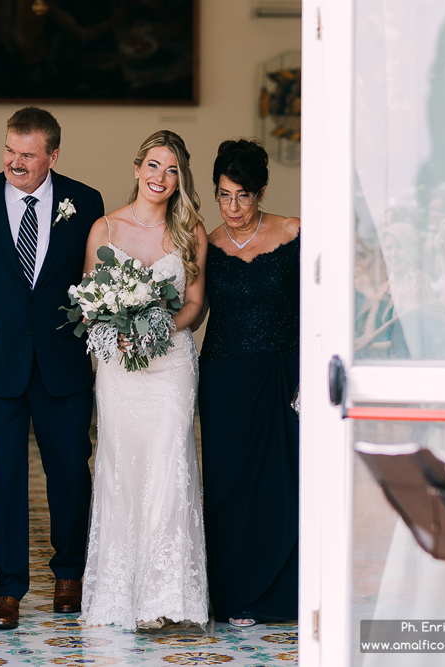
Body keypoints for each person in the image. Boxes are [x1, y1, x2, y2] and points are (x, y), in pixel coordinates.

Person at [0, 107, 105, 630]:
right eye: (9, 151)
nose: (15, 162)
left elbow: (97, 281)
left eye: (28, 155)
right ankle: (7, 590)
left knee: (70, 474)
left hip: (63, 361)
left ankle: (70, 575)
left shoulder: (87, 202)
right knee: (4, 477)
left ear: (52, 156)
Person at [78, 130, 209, 629]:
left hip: (171, 364)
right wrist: (118, 333)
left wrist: (158, 327)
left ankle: (168, 598)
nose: (161, 177)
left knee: (170, 465)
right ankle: (122, 595)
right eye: (154, 165)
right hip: (120, 371)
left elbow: (195, 304)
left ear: (180, 179)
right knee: (121, 467)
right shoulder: (104, 229)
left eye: (172, 170)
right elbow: (89, 305)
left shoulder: (189, 231)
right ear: (136, 168)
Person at [197, 138, 300, 627]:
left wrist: (304, 375)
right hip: (222, 379)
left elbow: (311, 310)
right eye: (223, 195)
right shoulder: (207, 243)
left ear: (260, 193)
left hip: (279, 376)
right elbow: (194, 310)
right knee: (226, 489)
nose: (232, 207)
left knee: (280, 485)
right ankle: (234, 594)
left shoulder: (295, 233)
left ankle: (280, 594)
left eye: (242, 195)